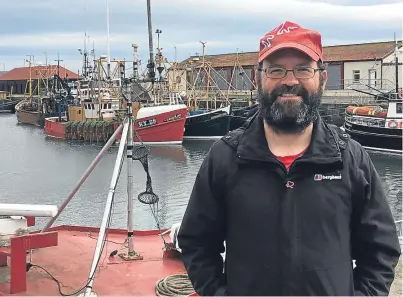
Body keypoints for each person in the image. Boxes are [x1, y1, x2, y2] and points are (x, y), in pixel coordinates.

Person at [177, 21, 401, 296]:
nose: (290, 81)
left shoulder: (350, 159)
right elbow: (196, 243)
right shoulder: (225, 157)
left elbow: (382, 250)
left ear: (321, 77)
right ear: (258, 78)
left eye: (303, 69)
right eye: (276, 69)